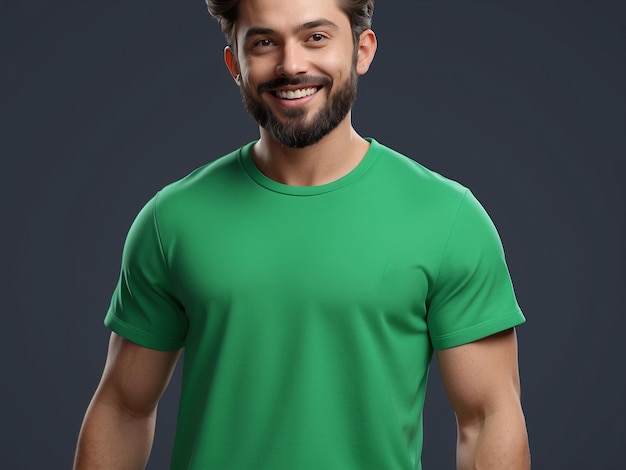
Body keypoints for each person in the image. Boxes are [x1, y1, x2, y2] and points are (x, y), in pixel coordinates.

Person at [74, 0, 530, 468]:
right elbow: (124, 409)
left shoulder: (447, 218)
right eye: (265, 42)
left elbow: (487, 419)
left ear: (361, 50)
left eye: (316, 37)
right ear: (235, 63)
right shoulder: (171, 220)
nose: (291, 65)